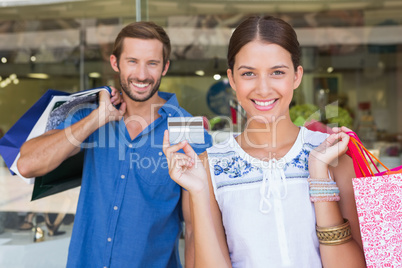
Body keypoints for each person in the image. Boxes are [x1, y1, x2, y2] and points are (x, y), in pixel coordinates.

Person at [163, 16, 366, 268]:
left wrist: (318, 175)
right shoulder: (207, 167)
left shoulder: (334, 155)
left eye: (277, 72)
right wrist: (200, 192)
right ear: (233, 79)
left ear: (296, 76)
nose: (263, 89)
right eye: (248, 73)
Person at [17, 21, 211, 267]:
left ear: (165, 67)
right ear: (115, 62)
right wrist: (97, 119)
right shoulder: (90, 117)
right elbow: (27, 164)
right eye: (132, 61)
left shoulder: (188, 132)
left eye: (152, 63)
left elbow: (195, 230)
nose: (141, 75)